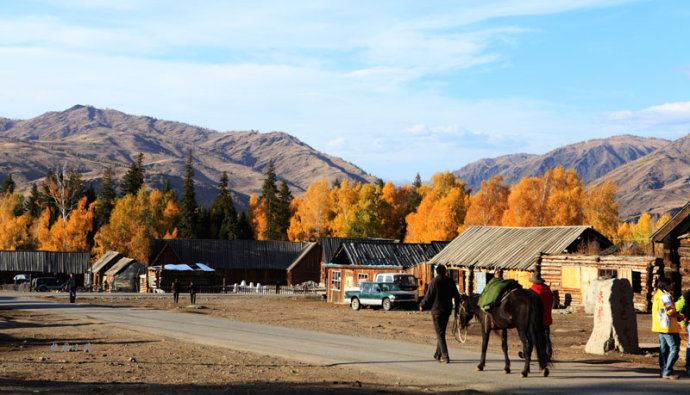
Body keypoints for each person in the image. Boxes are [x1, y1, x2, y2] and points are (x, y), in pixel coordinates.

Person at [419, 265, 461, 363]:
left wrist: (422, 305)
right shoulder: (450, 281)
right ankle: (437, 354)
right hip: (447, 311)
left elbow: (429, 295)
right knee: (441, 333)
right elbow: (457, 296)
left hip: (437, 311)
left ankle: (445, 356)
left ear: (436, 272)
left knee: (440, 334)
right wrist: (456, 310)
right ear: (445, 271)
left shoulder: (435, 281)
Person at [652, 277, 682, 380]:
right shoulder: (665, 296)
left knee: (663, 350)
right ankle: (667, 371)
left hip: (660, 325)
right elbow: (670, 311)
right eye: (670, 284)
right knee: (674, 348)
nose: (672, 286)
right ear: (665, 285)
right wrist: (679, 315)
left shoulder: (657, 295)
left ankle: (663, 370)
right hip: (667, 326)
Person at [529, 272, 554, 360]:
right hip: (547, 317)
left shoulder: (532, 291)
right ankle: (548, 353)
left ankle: (527, 353)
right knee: (546, 335)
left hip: (535, 318)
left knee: (531, 336)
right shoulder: (548, 290)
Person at [675, 289, 690, 376]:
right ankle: (688, 367)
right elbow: (678, 308)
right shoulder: (686, 296)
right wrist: (683, 322)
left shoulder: (686, 295)